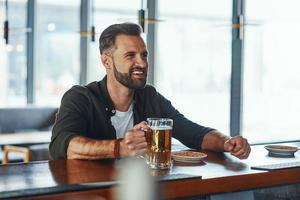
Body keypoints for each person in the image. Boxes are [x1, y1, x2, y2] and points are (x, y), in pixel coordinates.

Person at [50, 23, 251, 160]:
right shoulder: (80, 97)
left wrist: (227, 142)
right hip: (91, 192)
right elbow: (63, 144)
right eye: (130, 55)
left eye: (144, 55)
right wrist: (119, 148)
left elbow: (194, 133)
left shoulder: (150, 97)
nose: (142, 63)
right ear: (106, 61)